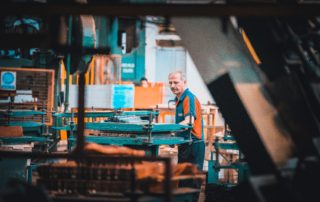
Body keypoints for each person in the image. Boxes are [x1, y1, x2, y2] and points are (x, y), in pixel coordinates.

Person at [168, 70, 205, 201]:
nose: (172, 86)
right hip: (185, 144)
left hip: (194, 145)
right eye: (170, 83)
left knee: (192, 182)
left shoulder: (188, 97)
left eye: (176, 82)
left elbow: (189, 120)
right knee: (183, 181)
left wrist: (172, 132)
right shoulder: (178, 99)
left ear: (184, 82)